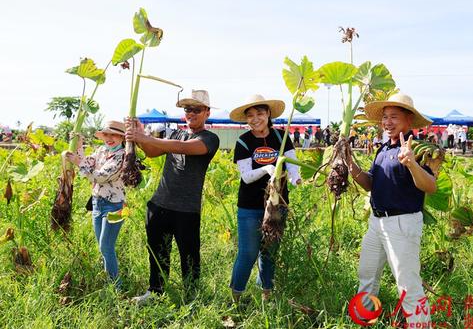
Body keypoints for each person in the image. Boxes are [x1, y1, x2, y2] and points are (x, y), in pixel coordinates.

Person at [347, 93, 436, 328]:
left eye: (394, 117)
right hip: (377, 223)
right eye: (385, 117)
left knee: (408, 285)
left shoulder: (418, 148)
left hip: (402, 224)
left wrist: (411, 164)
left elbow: (430, 186)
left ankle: (420, 325)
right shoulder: (384, 148)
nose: (387, 122)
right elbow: (370, 184)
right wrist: (349, 163)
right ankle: (364, 318)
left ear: (409, 120)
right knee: (367, 275)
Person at [128, 90, 220, 303]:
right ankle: (155, 292)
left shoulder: (209, 139)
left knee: (189, 256)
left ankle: (191, 297)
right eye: (188, 109)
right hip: (159, 204)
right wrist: (139, 134)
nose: (191, 113)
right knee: (158, 252)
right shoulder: (175, 134)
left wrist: (144, 137)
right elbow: (152, 152)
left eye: (197, 109)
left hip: (187, 209)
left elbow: (183, 148)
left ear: (207, 112)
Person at [228, 94, 301, 302]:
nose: (255, 118)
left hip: (278, 205)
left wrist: (296, 179)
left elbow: (293, 165)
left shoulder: (281, 137)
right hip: (250, 207)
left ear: (268, 114)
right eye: (250, 115)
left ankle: (266, 295)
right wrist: (268, 168)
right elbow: (247, 177)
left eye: (260, 113)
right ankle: (236, 297)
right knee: (248, 252)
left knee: (270, 252)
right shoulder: (244, 141)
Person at [64, 121, 127, 285]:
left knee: (106, 246)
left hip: (115, 205)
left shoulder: (122, 156)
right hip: (97, 203)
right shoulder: (102, 150)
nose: (109, 138)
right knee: (102, 246)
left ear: (121, 137)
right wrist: (79, 147)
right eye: (106, 134)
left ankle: (116, 287)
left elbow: (99, 176)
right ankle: (110, 280)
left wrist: (79, 163)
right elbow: (88, 162)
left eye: (113, 134)